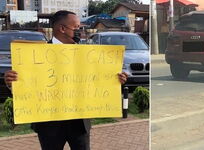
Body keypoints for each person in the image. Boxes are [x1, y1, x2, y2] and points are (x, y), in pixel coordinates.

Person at [4, 10, 128, 150]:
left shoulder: (89, 55)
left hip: (79, 123)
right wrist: (11, 83)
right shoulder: (34, 55)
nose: (81, 31)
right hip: (49, 123)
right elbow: (26, 85)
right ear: (62, 29)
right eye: (76, 28)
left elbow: (98, 80)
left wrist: (117, 79)